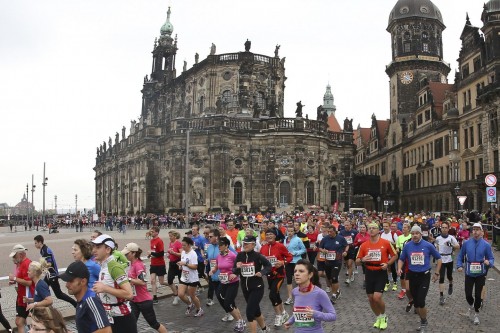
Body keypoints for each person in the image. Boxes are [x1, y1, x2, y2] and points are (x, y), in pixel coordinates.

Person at [398, 225, 442, 332]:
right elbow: (401, 259)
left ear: (421, 234)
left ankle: (423, 323)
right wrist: (399, 268)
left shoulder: (428, 245)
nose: (414, 235)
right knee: (416, 303)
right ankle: (423, 320)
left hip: (424, 276)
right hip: (412, 275)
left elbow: (439, 258)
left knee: (421, 301)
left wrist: (436, 273)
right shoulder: (408, 246)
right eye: (413, 234)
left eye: (417, 233)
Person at [91, 234, 137, 333]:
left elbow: (129, 294)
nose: (94, 250)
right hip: (110, 316)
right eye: (94, 247)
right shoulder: (103, 266)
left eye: (98, 247)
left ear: (108, 250)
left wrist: (105, 288)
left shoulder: (114, 267)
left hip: (122, 319)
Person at [356, 222, 397, 330]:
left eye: (374, 228)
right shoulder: (364, 245)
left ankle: (383, 316)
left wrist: (387, 264)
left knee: (377, 297)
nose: (371, 230)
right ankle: (378, 317)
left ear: (379, 230)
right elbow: (357, 261)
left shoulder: (386, 243)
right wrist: (362, 260)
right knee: (370, 298)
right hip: (369, 272)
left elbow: (395, 255)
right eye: (369, 228)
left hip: (380, 272)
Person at [121, 243, 168, 333]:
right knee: (131, 324)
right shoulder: (132, 263)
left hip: (144, 301)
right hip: (134, 300)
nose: (125, 256)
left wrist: (128, 279)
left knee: (154, 324)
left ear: (134, 253)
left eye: (127, 254)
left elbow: (142, 282)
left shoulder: (138, 265)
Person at [457, 222, 495, 325]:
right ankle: (471, 306)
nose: (475, 232)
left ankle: (476, 314)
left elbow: (491, 258)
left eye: (478, 230)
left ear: (482, 232)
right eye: (474, 230)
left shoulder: (486, 245)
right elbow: (460, 256)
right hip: (469, 272)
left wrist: (489, 262)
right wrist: (459, 265)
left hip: (480, 273)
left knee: (478, 296)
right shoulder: (466, 243)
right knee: (468, 294)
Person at [283, 259, 336, 332]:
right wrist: (290, 321)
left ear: (310, 275)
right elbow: (300, 311)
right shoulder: (295, 291)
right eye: (295, 271)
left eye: (301, 271)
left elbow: (333, 316)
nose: (297, 274)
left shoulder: (320, 293)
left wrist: (315, 313)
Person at [233, 235, 273, 333]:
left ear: (253, 244)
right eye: (244, 243)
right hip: (245, 288)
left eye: (247, 243)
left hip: (257, 287)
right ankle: (265, 329)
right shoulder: (240, 255)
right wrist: (237, 268)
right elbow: (234, 270)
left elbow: (269, 266)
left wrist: (262, 272)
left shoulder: (258, 256)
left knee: (250, 312)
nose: (245, 245)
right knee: (256, 310)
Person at [60, 260, 111, 333]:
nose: (67, 285)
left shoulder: (90, 300)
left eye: (71, 281)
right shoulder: (82, 300)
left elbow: (106, 331)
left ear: (83, 282)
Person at [210, 237, 246, 331]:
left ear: (226, 246)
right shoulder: (219, 256)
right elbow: (217, 266)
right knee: (223, 299)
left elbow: (240, 266)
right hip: (223, 282)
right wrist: (213, 271)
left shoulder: (233, 255)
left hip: (233, 282)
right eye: (218, 245)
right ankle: (241, 320)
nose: (219, 247)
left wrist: (235, 274)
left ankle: (239, 322)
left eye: (221, 245)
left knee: (228, 304)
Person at [260, 229, 293, 327]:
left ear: (275, 236)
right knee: (276, 294)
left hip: (279, 275)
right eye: (267, 235)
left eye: (271, 234)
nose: (269, 236)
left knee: (272, 294)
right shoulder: (263, 248)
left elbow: (289, 257)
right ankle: (283, 313)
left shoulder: (280, 246)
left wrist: (283, 262)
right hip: (269, 275)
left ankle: (278, 316)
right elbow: (260, 260)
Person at [34, 235, 78, 307]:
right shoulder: (43, 249)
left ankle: (75, 304)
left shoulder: (45, 250)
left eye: (35, 243)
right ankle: (42, 306)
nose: (35, 245)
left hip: (52, 275)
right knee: (42, 288)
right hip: (49, 274)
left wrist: (41, 266)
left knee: (59, 294)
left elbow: (49, 263)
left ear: (40, 242)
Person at [318, 225, 348, 304]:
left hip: (337, 261)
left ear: (335, 231)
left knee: (334, 277)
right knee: (330, 278)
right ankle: (337, 290)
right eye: (328, 232)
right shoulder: (325, 239)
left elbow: (346, 245)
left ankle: (334, 294)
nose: (329, 233)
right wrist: (323, 250)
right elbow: (320, 247)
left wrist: (345, 252)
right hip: (328, 262)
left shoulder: (340, 238)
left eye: (331, 231)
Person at [9, 244, 34, 333]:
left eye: (14, 256)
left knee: (19, 322)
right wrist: (14, 281)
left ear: (20, 254)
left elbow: (29, 282)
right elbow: (22, 279)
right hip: (20, 297)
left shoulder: (27, 263)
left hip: (26, 298)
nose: (14, 259)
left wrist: (15, 279)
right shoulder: (20, 264)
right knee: (18, 322)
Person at [177, 236, 204, 317]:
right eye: (182, 245)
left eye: (184, 245)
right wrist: (180, 266)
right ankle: (190, 305)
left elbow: (195, 267)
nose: (182, 247)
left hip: (192, 278)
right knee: (180, 294)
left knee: (192, 295)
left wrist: (185, 264)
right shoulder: (183, 252)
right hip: (184, 276)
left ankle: (199, 309)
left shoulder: (193, 254)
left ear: (189, 245)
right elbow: (183, 262)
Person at [434, 221, 459, 305]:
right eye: (443, 227)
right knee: (441, 278)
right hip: (441, 260)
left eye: (446, 228)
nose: (444, 229)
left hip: (449, 259)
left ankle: (451, 284)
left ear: (448, 229)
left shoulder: (451, 237)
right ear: (441, 228)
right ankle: (441, 296)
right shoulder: (438, 238)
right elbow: (436, 248)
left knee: (449, 276)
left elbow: (458, 246)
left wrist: (451, 245)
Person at [284, 226, 307, 305]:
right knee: (289, 279)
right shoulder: (285, 239)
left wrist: (296, 253)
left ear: (294, 232)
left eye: (291, 231)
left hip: (296, 261)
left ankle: (301, 296)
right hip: (288, 262)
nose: (289, 233)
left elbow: (304, 249)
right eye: (288, 231)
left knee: (298, 279)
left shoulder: (298, 239)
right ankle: (290, 297)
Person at [148, 226, 168, 304]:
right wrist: (150, 255)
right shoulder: (151, 240)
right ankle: (155, 297)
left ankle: (172, 285)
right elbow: (154, 252)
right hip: (153, 263)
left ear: (156, 232)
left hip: (160, 264)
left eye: (152, 231)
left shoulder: (160, 241)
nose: (151, 233)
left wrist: (152, 253)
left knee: (161, 282)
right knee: (152, 281)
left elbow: (161, 253)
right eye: (151, 231)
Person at [339, 220, 358, 285]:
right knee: (347, 265)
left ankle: (348, 279)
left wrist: (354, 244)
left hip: (352, 250)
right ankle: (351, 273)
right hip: (344, 250)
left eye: (347, 225)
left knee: (350, 264)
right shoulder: (341, 232)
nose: (346, 226)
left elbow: (356, 240)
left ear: (350, 225)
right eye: (345, 225)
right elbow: (340, 240)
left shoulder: (354, 232)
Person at [166, 230, 182, 305]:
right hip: (171, 263)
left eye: (171, 236)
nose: (169, 237)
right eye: (169, 236)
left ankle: (186, 295)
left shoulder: (178, 243)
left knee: (181, 280)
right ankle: (176, 295)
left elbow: (182, 254)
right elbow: (171, 253)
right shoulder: (170, 243)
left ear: (175, 236)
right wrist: (169, 255)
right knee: (169, 280)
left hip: (178, 263)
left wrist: (174, 253)